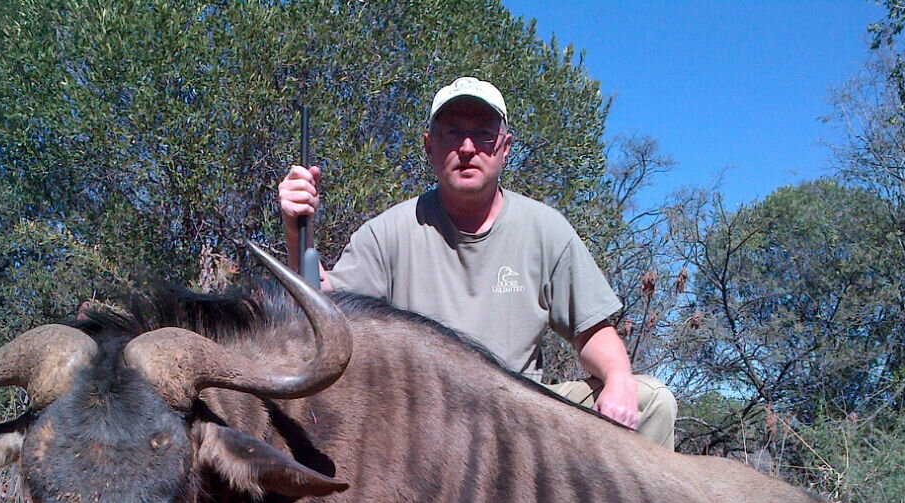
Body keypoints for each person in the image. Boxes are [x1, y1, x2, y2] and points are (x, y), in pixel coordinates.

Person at [278, 76, 676, 449]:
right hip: (422, 421)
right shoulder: (387, 233)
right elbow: (326, 311)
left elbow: (592, 332)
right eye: (452, 132)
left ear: (504, 148)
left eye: (483, 134)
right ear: (429, 146)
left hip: (523, 416)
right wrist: (298, 231)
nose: (467, 147)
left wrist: (620, 381)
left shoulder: (545, 228)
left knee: (652, 400)